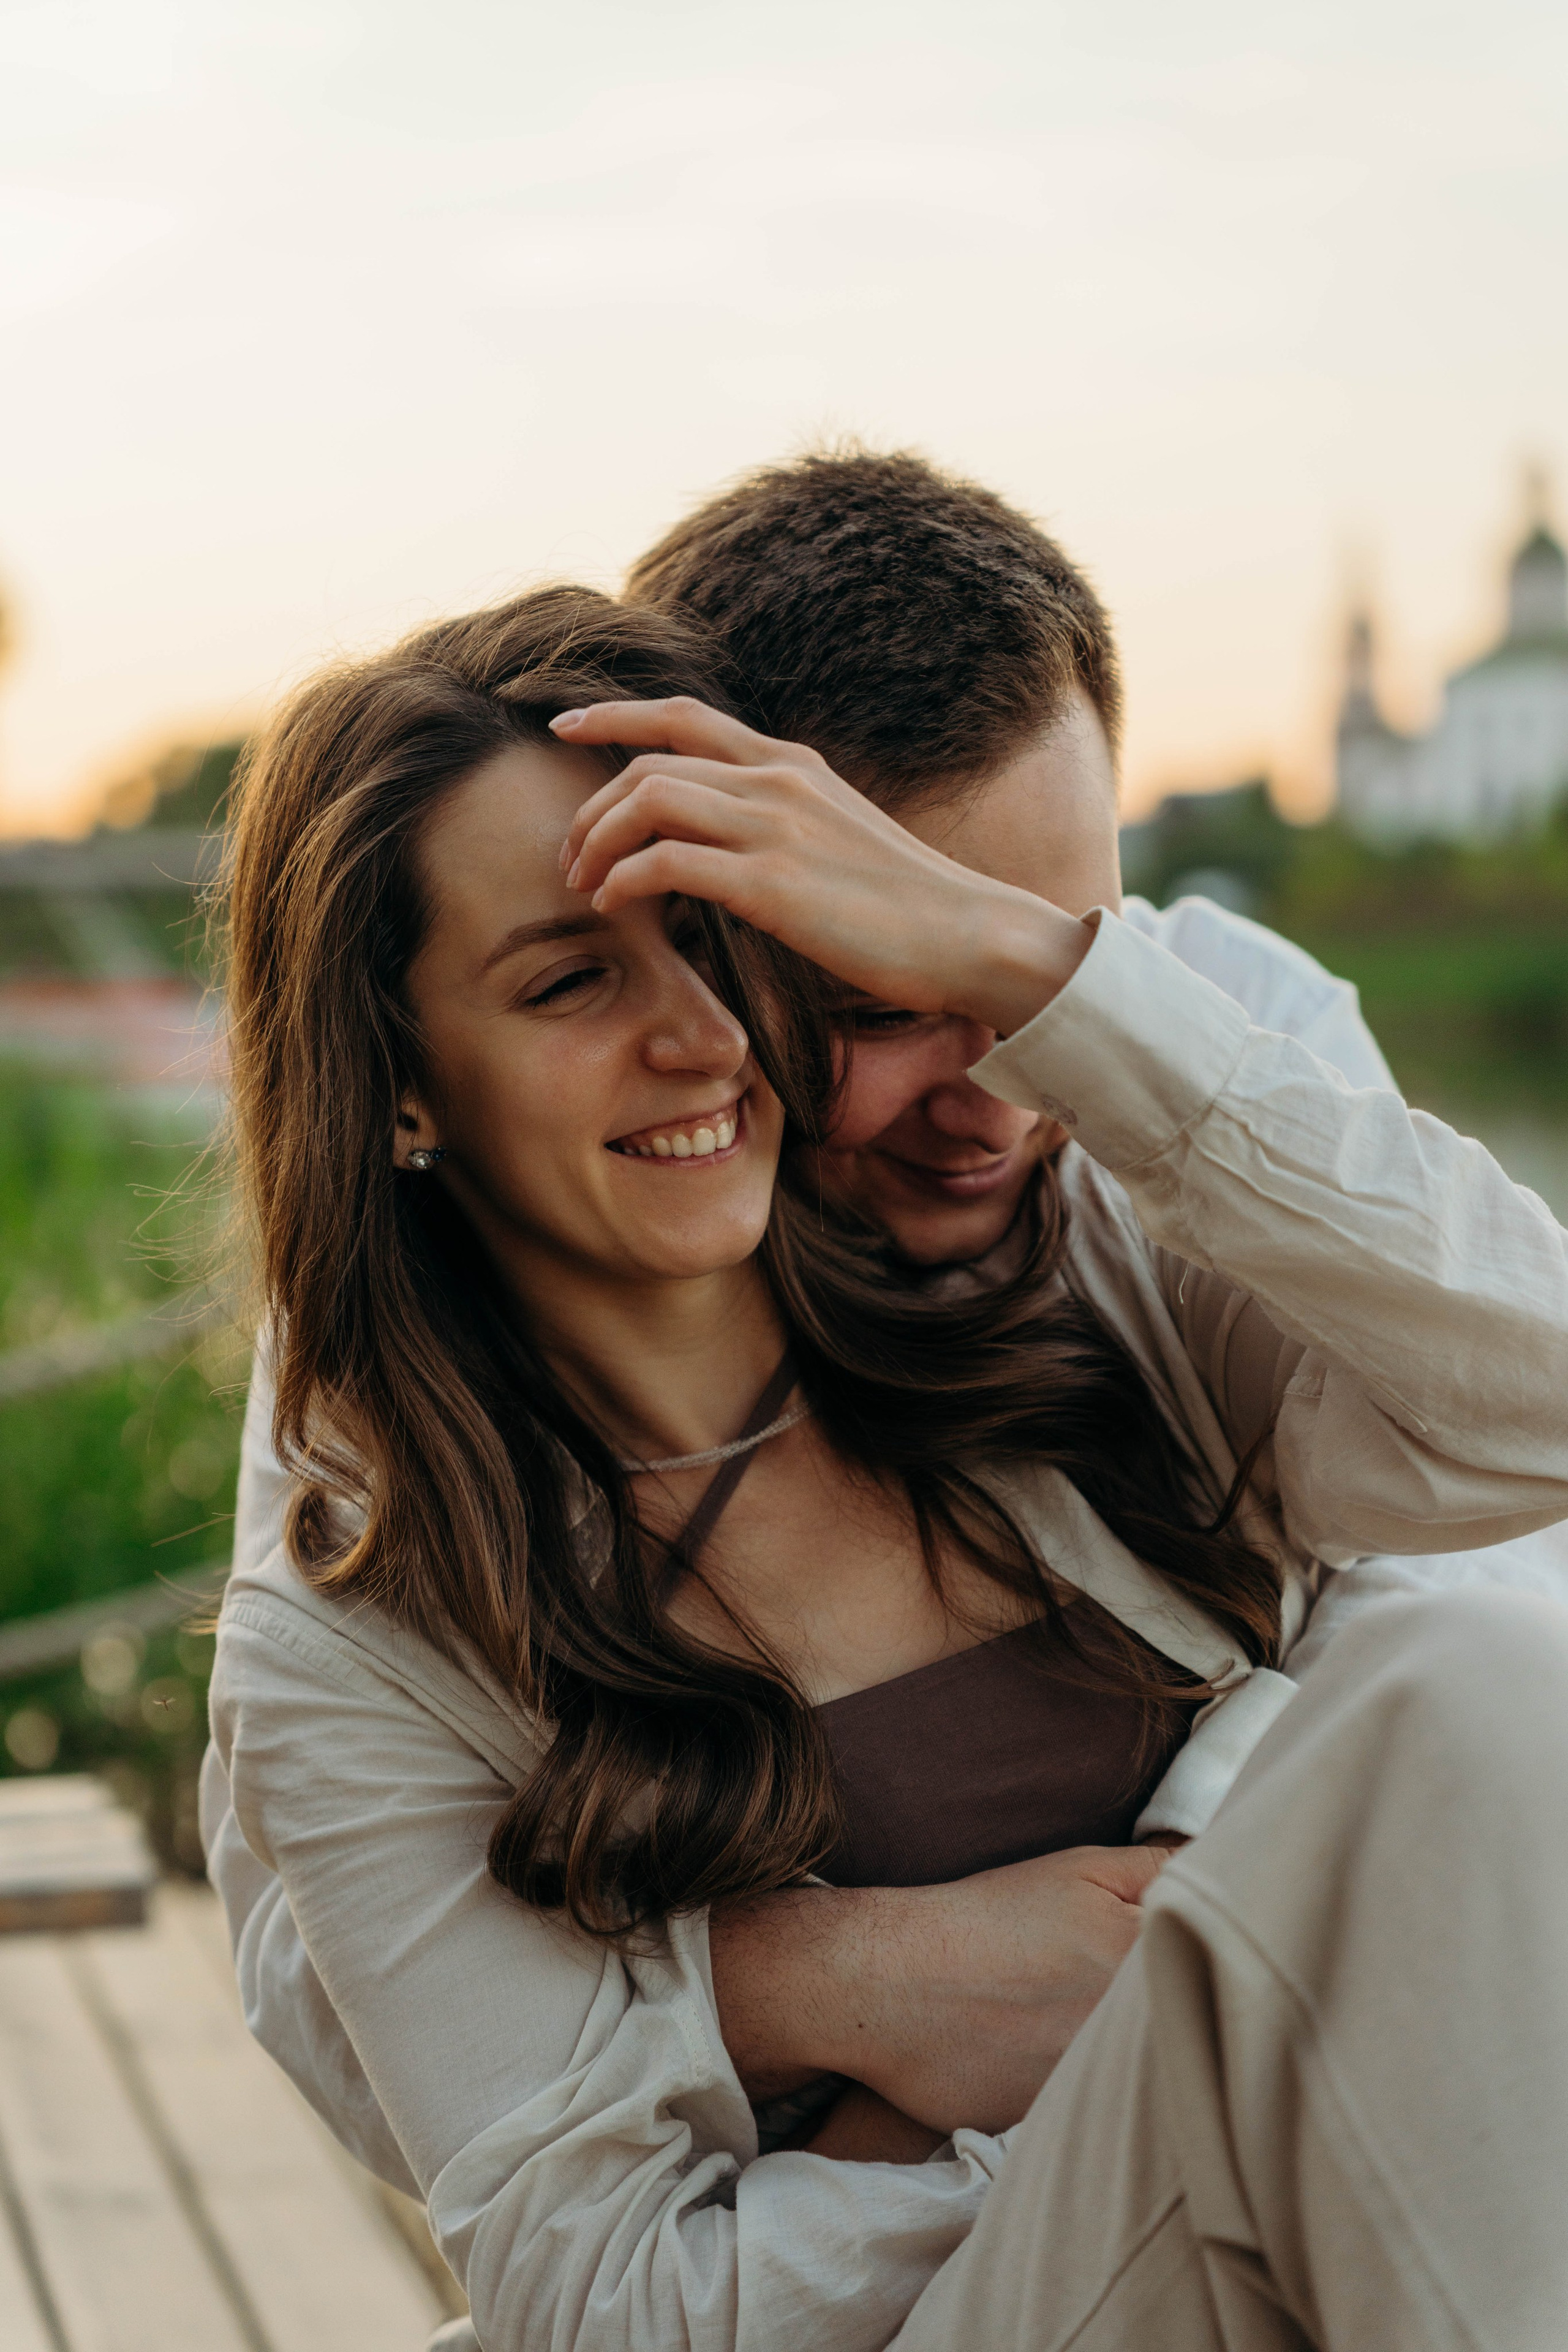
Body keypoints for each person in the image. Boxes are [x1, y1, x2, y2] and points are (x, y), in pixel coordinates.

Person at [206, 584, 1568, 2351]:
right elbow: (600, 2298)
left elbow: (1534, 1399)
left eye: (727, 947)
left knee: (1474, 1681)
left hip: (1335, 2257)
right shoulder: (366, 1621)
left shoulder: (1069, 1266)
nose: (699, 1036)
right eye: (568, 979)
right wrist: (1135, 2046)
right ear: (399, 1088)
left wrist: (1027, 969)